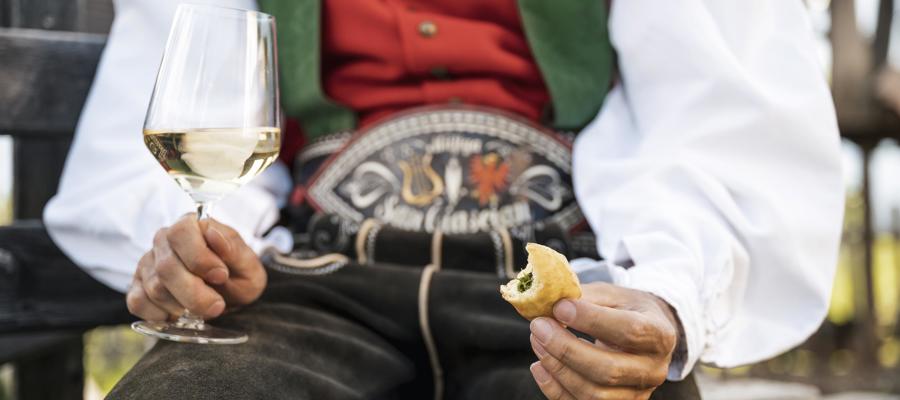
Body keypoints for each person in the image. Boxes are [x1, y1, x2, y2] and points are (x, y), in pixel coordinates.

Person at [44, 0, 844, 399]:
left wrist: (668, 294)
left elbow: (721, 109)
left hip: (563, 292)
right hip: (308, 281)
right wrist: (205, 252)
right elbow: (166, 93)